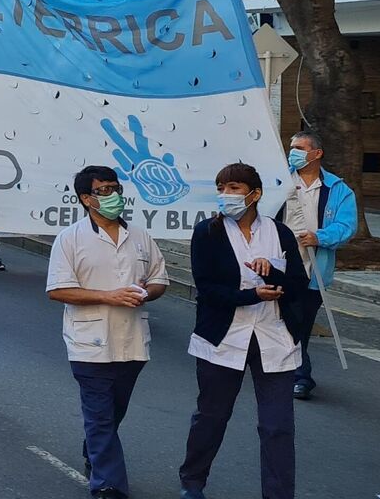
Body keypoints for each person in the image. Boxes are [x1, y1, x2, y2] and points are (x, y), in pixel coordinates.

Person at [179, 163, 311, 499]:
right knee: (212, 417)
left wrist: (273, 275)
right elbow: (207, 290)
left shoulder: (279, 233)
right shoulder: (207, 233)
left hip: (274, 338)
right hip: (223, 338)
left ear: (255, 193)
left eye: (234, 187)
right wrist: (251, 295)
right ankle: (193, 481)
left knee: (277, 426)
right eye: (221, 186)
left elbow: (298, 285)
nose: (226, 194)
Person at [46, 165, 169, 499]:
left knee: (113, 412)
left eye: (116, 188)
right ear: (86, 199)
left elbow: (160, 279)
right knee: (99, 414)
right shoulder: (70, 239)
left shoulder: (140, 237)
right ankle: (108, 485)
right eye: (104, 191)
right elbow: (57, 290)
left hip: (131, 342)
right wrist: (108, 296)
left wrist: (147, 292)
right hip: (89, 342)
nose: (113, 196)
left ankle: (94, 450)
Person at [276, 130, 356, 401]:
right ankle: (298, 374)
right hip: (278, 265)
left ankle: (297, 373)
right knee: (284, 319)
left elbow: (346, 227)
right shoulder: (278, 181)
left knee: (300, 322)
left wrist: (319, 237)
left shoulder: (338, 190)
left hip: (313, 271)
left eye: (299, 147)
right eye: (291, 147)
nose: (293, 152)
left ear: (316, 153)